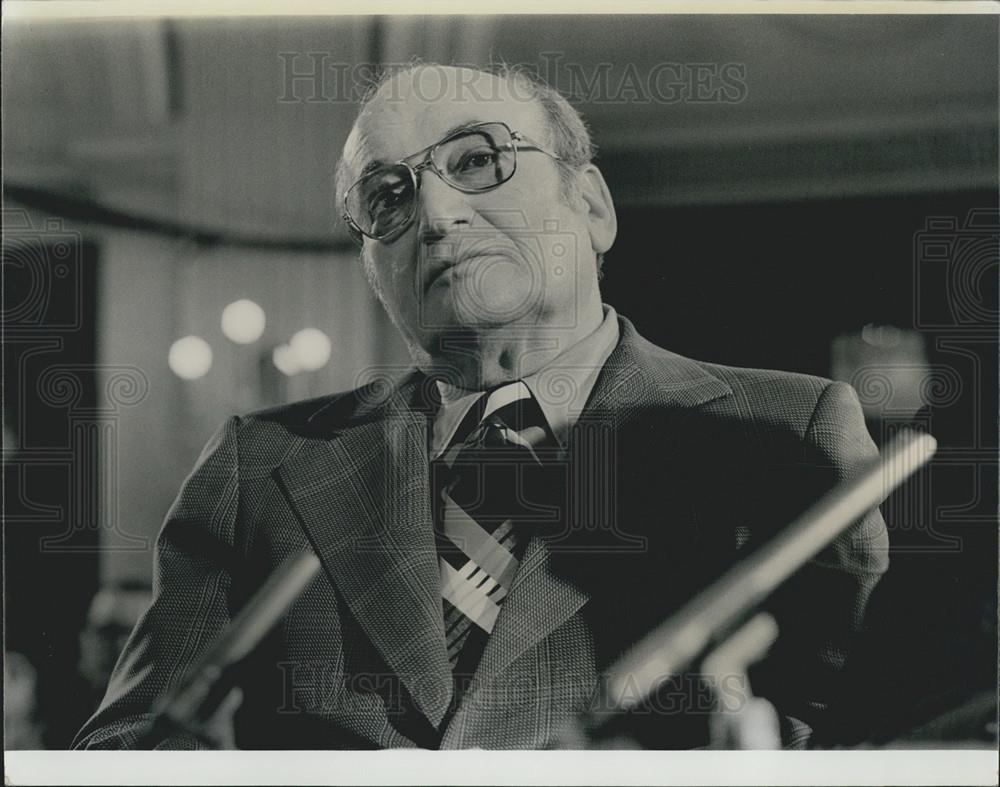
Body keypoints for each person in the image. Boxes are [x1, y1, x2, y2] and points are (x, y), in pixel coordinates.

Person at [73, 63, 889, 750]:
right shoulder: (263, 462)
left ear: (593, 207)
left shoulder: (783, 430)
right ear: (372, 267)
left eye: (476, 160)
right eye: (387, 196)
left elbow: (880, 734)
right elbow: (133, 749)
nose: (434, 214)